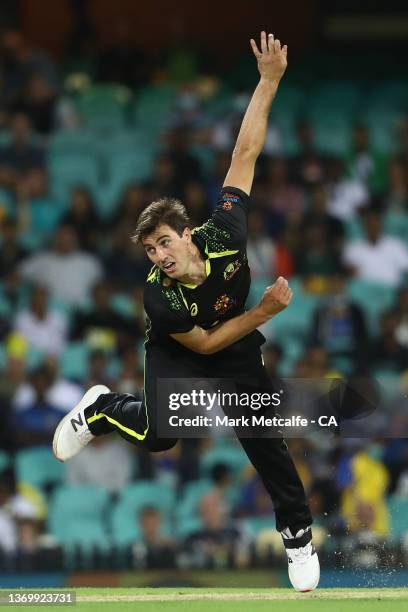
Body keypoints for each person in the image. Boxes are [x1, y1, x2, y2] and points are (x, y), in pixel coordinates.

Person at [53, 32, 319, 592]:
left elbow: (244, 153)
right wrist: (265, 311)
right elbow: (202, 346)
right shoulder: (159, 295)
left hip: (235, 340)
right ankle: (101, 411)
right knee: (160, 435)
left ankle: (297, 539)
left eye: (165, 243)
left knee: (263, 434)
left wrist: (268, 80)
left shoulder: (224, 231)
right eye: (150, 250)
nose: (159, 256)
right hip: (182, 346)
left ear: (187, 234)